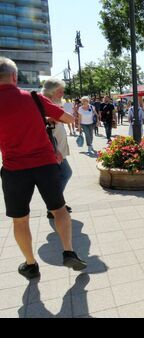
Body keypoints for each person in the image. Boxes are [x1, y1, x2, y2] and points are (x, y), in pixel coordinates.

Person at [0, 57, 87, 279]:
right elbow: (68, 118)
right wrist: (47, 118)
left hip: (14, 168)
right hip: (46, 164)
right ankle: (68, 251)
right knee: (59, 209)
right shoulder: (33, 98)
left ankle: (30, 264)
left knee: (20, 219)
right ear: (15, 77)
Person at [41, 78, 73, 218]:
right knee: (65, 173)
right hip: (54, 151)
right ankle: (54, 206)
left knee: (62, 175)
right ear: (51, 91)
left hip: (57, 149)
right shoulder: (45, 104)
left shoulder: (53, 103)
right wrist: (54, 151)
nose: (63, 93)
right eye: (60, 91)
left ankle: (56, 204)